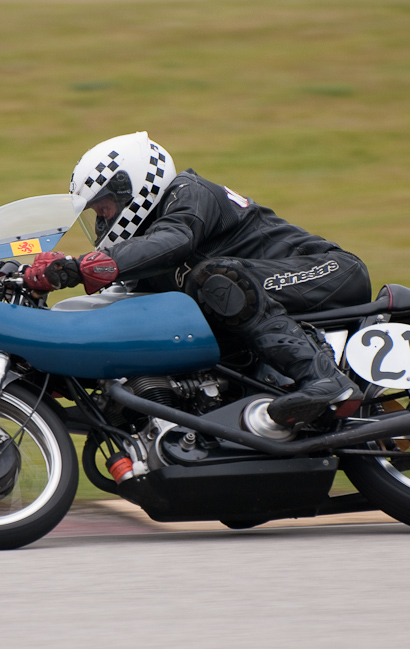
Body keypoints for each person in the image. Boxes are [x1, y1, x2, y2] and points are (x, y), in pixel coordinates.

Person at [23, 131, 372, 427]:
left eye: (105, 208)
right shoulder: (146, 266)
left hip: (326, 272)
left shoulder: (187, 192)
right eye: (97, 214)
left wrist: (78, 266)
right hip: (273, 293)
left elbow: (174, 240)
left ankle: (325, 380)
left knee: (217, 279)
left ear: (133, 186)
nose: (102, 221)